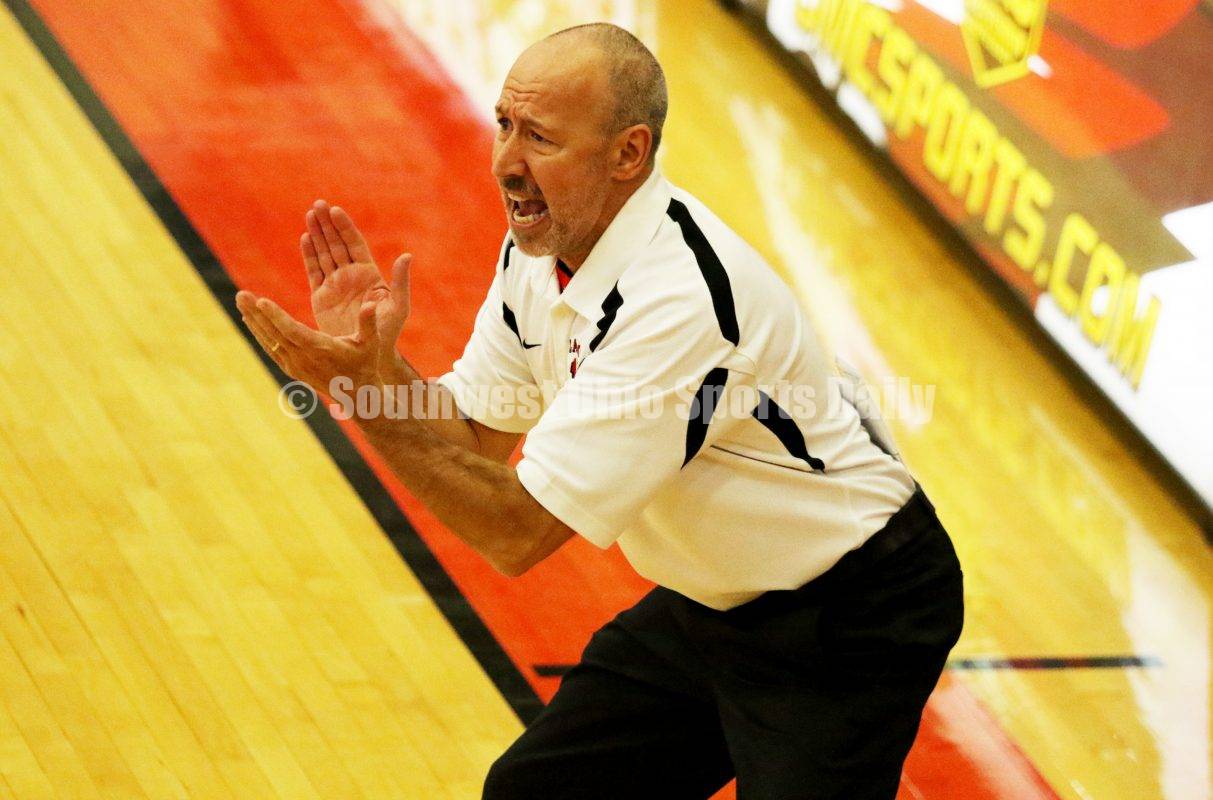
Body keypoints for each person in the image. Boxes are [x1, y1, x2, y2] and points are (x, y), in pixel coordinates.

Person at [236, 22, 964, 800]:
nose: (505, 162)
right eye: (504, 124)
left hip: (847, 612)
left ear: (628, 154)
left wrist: (366, 401)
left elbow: (514, 532)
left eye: (540, 137)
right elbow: (475, 436)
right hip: (710, 600)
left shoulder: (681, 302)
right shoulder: (539, 249)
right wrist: (374, 369)